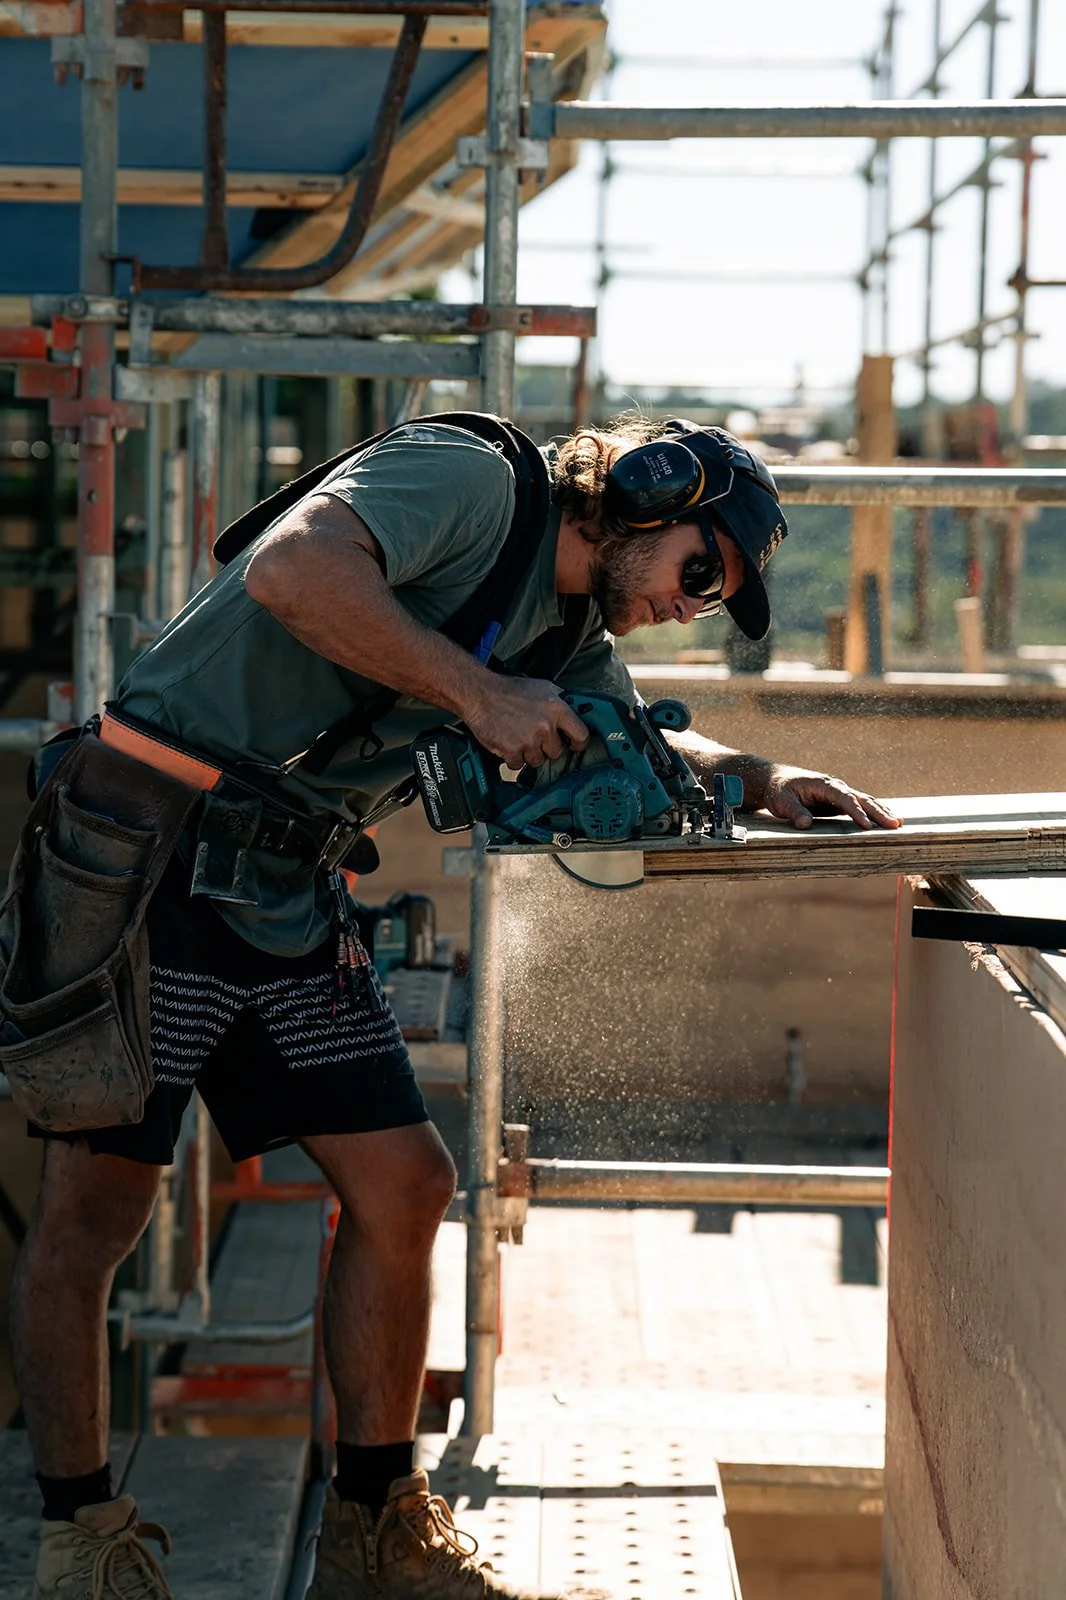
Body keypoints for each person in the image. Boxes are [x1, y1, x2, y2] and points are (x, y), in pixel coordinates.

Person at [10, 413, 899, 1600]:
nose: (691, 603)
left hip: (280, 885)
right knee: (95, 1210)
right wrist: (473, 689)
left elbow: (628, 739)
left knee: (408, 1181)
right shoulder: (473, 481)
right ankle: (81, 1543)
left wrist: (765, 777)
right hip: (151, 845)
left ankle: (375, 1534)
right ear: (647, 488)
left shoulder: (566, 627)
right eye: (700, 570)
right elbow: (291, 569)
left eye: (713, 599)